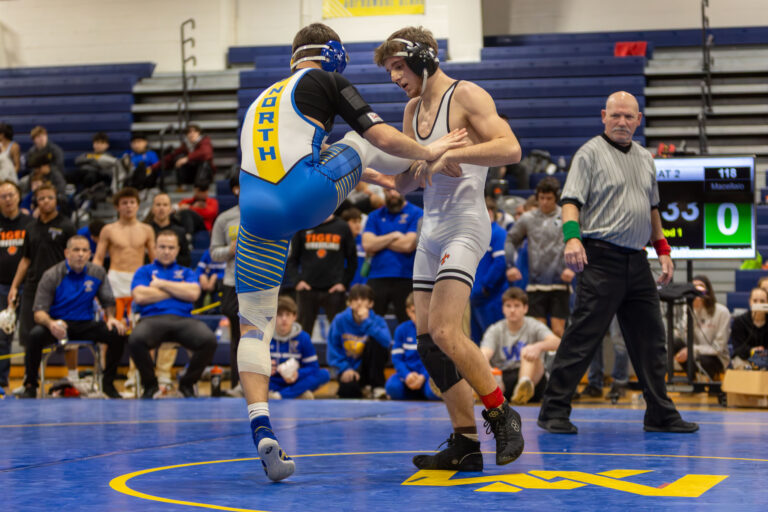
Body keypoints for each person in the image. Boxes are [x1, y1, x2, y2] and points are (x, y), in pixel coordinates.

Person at [234, 22, 465, 482]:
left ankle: (261, 425)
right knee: (361, 139)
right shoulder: (327, 80)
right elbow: (377, 140)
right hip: (302, 197)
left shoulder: (263, 99)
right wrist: (428, 149)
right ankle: (429, 159)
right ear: (333, 53)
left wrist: (378, 177)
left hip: (254, 212)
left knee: (253, 324)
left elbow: (309, 155)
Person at [374, 26, 524, 471]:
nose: (395, 78)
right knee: (427, 343)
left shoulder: (467, 95)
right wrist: (425, 162)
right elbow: (404, 180)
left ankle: (501, 413)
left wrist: (448, 157)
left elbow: (511, 148)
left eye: (398, 67)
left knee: (444, 330)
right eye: (389, 72)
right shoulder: (411, 109)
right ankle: (465, 442)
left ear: (422, 58)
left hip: (465, 223)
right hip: (432, 226)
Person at [536, 91, 698, 434]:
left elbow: (652, 208)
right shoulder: (589, 154)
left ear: (639, 120)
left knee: (652, 339)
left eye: (629, 116)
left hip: (637, 261)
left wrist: (663, 250)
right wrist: (572, 237)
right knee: (582, 337)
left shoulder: (645, 158)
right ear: (603, 117)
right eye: (616, 116)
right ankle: (553, 411)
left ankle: (659, 412)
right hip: (601, 257)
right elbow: (570, 201)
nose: (622, 121)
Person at [20, 235, 127, 399]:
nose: (80, 254)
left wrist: (111, 317)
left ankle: (108, 383)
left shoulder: (97, 272)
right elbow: (39, 313)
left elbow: (108, 301)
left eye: (84, 250)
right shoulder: (51, 275)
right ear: (66, 253)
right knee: (34, 335)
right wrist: (51, 324)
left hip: (86, 324)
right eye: (76, 250)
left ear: (90, 254)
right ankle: (30, 386)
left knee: (117, 334)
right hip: (58, 325)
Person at [128, 230, 217, 399]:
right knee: (135, 339)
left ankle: (186, 384)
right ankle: (151, 386)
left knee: (209, 340)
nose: (167, 251)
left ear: (177, 250)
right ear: (154, 248)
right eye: (162, 247)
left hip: (183, 320)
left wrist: (159, 284)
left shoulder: (186, 272)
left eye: (171, 247)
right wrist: (177, 290)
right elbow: (139, 296)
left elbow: (194, 294)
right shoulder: (144, 271)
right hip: (152, 319)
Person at [8, 184, 75, 350]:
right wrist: (14, 286)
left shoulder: (67, 226)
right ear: (35, 201)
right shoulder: (30, 228)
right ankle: (31, 374)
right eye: (41, 198)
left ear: (57, 200)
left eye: (50, 197)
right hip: (33, 286)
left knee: (65, 331)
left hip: (60, 286)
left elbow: (75, 258)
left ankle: (71, 373)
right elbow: (25, 260)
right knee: (28, 334)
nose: (46, 201)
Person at [505, 176, 573, 337]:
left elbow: (578, 243)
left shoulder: (566, 216)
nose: (544, 202)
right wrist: (510, 265)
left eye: (549, 198)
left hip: (560, 283)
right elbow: (510, 240)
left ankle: (560, 363)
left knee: (558, 331)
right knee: (539, 333)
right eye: (541, 198)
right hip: (536, 285)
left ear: (556, 197)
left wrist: (573, 268)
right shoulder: (528, 218)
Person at [480, 287, 560, 404]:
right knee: (480, 361)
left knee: (528, 351)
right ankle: (509, 392)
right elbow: (483, 354)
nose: (512, 310)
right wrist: (489, 372)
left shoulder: (534, 325)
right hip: (503, 380)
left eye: (517, 306)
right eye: (508, 306)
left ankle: (524, 385)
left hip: (533, 379)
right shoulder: (495, 330)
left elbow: (557, 342)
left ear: (525, 308)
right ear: (503, 309)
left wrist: (537, 347)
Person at [93, 187, 156, 328]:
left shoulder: (147, 230)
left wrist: (157, 279)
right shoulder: (108, 230)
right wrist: (95, 279)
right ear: (117, 207)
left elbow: (155, 259)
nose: (129, 206)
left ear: (138, 205)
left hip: (138, 279)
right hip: (115, 279)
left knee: (139, 325)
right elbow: (98, 258)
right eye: (125, 203)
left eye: (132, 202)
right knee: (111, 325)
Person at [287, 213, 357, 336]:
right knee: (302, 333)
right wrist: (297, 281)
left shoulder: (342, 227)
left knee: (341, 334)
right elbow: (292, 259)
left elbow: (352, 259)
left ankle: (341, 356)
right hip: (307, 289)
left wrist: (343, 283)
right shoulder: (304, 224)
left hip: (334, 290)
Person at [361, 188, 422, 323]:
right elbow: (367, 244)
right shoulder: (374, 215)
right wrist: (394, 236)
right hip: (377, 275)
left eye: (395, 190)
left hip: (405, 276)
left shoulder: (416, 213)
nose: (392, 194)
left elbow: (408, 245)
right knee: (371, 324)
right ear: (383, 192)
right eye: (388, 190)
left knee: (409, 323)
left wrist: (379, 241)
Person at [327, 284, 391, 399]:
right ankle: (362, 389)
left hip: (370, 369)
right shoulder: (339, 320)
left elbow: (386, 342)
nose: (359, 303)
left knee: (376, 341)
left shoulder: (377, 320)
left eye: (363, 299)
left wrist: (366, 322)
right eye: (355, 299)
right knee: (348, 392)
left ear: (371, 303)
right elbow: (333, 349)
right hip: (349, 368)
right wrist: (345, 369)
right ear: (349, 303)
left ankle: (377, 386)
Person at [210, 174, 242, 394]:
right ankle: (237, 385)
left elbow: (285, 251)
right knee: (238, 338)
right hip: (232, 284)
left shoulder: (268, 214)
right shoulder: (225, 219)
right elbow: (214, 253)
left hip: (261, 282)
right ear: (235, 190)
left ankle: (265, 386)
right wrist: (229, 250)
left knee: (262, 337)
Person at [0, 180, 33, 387]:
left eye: (11, 195)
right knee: (2, 335)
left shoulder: (30, 224)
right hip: (1, 287)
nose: (7, 199)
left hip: (27, 286)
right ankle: (2, 382)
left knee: (29, 335)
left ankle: (29, 382)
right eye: (3, 196)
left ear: (19, 196)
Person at [269, 296, 330, 399]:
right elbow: (253, 366)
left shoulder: (303, 337)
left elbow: (313, 367)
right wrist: (265, 368)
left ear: (294, 316)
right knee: (249, 377)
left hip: (295, 381)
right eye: (280, 315)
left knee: (324, 374)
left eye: (287, 315)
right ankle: (297, 394)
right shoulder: (265, 336)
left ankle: (279, 395)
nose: (284, 319)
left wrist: (297, 374)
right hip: (273, 381)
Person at [673, 275, 730, 380]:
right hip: (693, 352)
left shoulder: (722, 312)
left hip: (716, 357)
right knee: (674, 342)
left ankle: (707, 383)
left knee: (704, 359)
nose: (696, 291)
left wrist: (692, 350)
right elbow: (680, 335)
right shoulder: (687, 308)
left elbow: (718, 348)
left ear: (708, 291)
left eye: (700, 287)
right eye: (693, 288)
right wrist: (693, 311)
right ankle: (691, 379)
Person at [385, 292, 440, 401]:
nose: (418, 316)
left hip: (428, 376)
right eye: (414, 312)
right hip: (408, 376)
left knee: (433, 391)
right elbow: (397, 359)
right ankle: (416, 393)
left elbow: (436, 361)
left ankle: (420, 393)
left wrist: (423, 376)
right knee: (392, 387)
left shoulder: (435, 330)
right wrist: (407, 375)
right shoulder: (401, 330)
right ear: (408, 312)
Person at [469, 197, 508, 344]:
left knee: (494, 340)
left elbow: (500, 263)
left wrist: (485, 286)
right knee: (478, 341)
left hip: (491, 297)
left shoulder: (498, 233)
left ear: (489, 212)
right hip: (476, 296)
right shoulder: (477, 234)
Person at [581, 316, 630, 401]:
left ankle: (620, 383)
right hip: (597, 303)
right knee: (593, 339)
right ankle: (594, 384)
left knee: (619, 340)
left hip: (618, 304)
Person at [153, 124, 216, 190]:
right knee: (178, 158)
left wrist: (187, 158)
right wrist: (153, 167)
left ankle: (200, 188)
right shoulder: (185, 146)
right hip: (192, 174)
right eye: (189, 132)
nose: (192, 134)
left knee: (204, 163)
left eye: (194, 132)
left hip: (205, 175)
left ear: (199, 133)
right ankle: (181, 186)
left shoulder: (205, 141)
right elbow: (171, 157)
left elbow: (205, 153)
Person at [145, 192, 192, 267]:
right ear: (152, 209)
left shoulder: (180, 231)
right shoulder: (145, 230)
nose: (161, 208)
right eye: (158, 205)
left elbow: (186, 259)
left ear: (170, 209)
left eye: (165, 205)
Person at [731, 287, 768, 368]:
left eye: (762, 301)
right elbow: (738, 347)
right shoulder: (739, 321)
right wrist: (752, 351)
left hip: (766, 358)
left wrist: (762, 353)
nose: (758, 304)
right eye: (755, 301)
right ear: (750, 302)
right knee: (738, 361)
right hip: (746, 358)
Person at [340, 207, 368, 287]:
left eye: (359, 222)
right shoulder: (339, 241)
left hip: (361, 286)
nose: (358, 225)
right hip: (342, 285)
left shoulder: (365, 241)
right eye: (354, 222)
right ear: (345, 223)